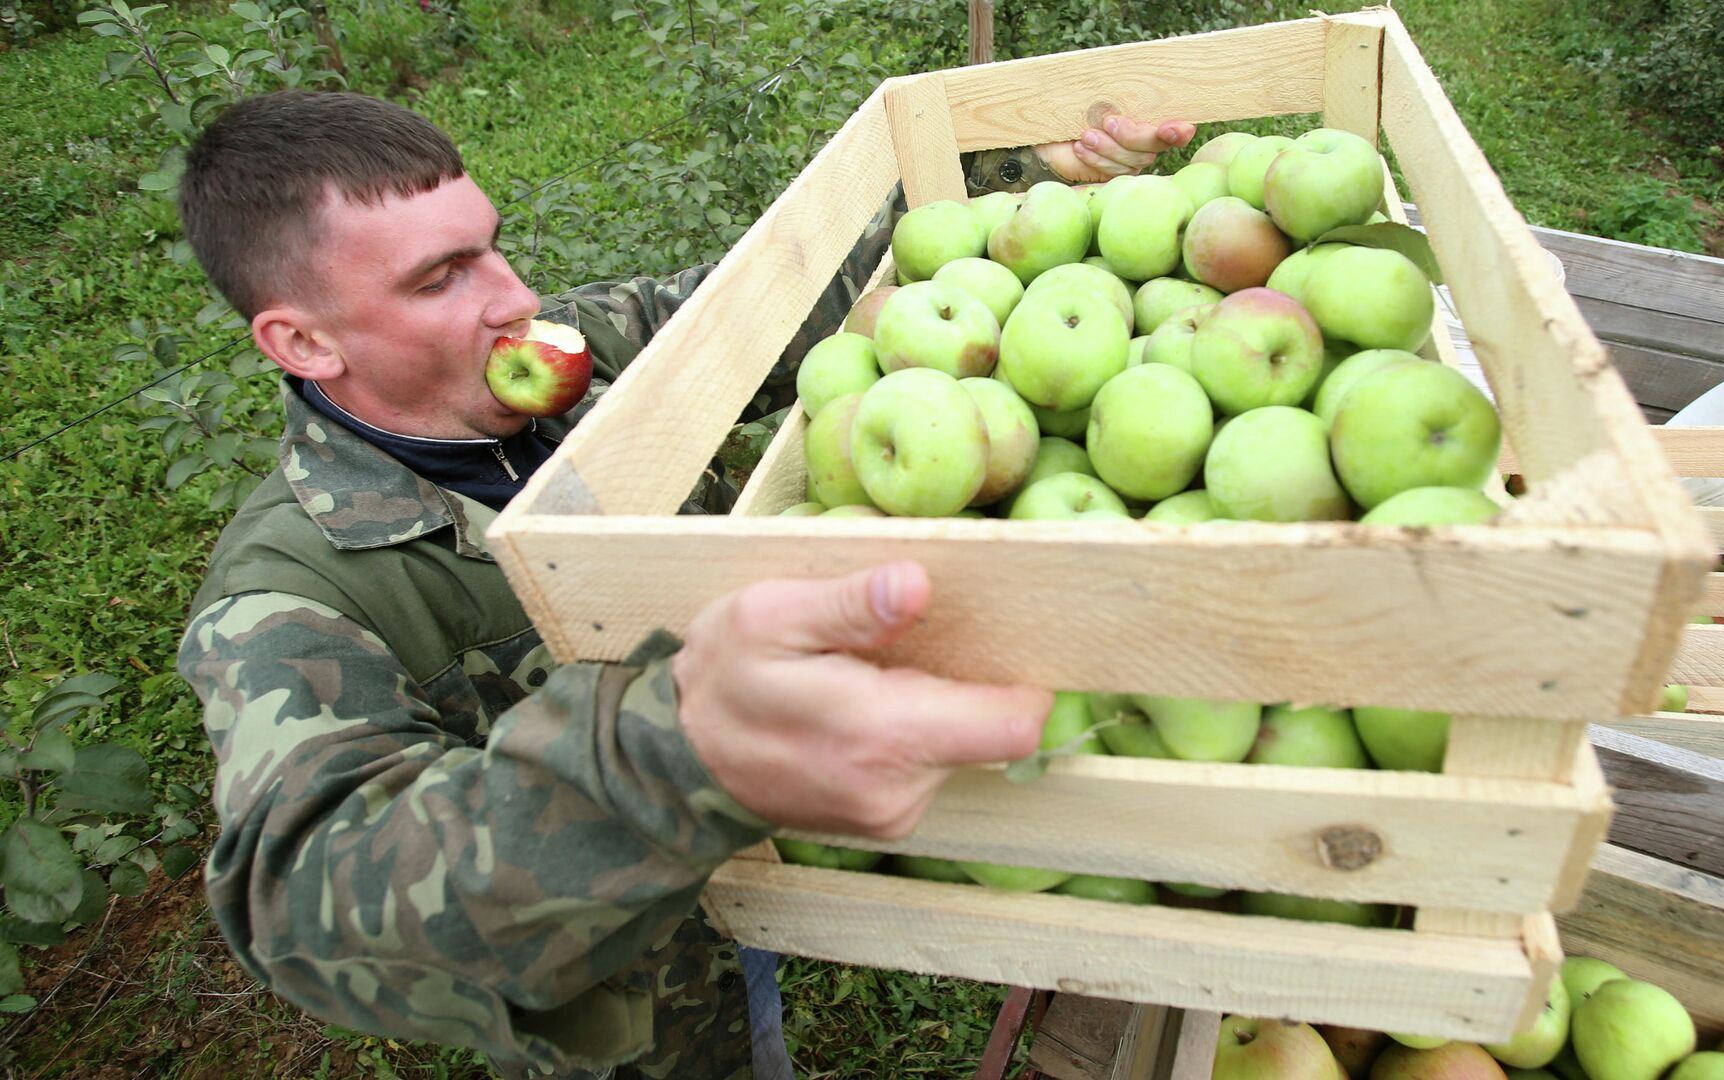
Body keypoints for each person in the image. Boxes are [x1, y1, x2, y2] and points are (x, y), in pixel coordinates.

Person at [171, 88, 1193, 1080]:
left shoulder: (569, 354)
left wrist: (1024, 178)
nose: (515, 295)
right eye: (441, 279)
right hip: (634, 985)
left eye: (491, 243)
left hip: (779, 836)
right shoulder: (287, 596)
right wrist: (677, 748)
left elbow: (772, 305)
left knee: (757, 1001)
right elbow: (303, 900)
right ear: (302, 341)